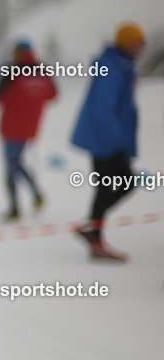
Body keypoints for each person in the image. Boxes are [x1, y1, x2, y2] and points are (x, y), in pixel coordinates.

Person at [70, 22, 146, 262]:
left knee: (114, 185)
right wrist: (116, 142)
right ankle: (94, 235)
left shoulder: (120, 65)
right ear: (126, 43)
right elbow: (104, 109)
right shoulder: (111, 67)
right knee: (115, 185)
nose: (141, 48)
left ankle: (92, 231)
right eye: (137, 43)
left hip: (108, 139)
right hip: (104, 140)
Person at [0, 39, 57, 221]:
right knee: (16, 162)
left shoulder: (11, 71)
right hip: (31, 126)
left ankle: (16, 207)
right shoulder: (42, 70)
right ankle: (35, 195)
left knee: (11, 166)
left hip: (11, 126)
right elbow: (53, 95)